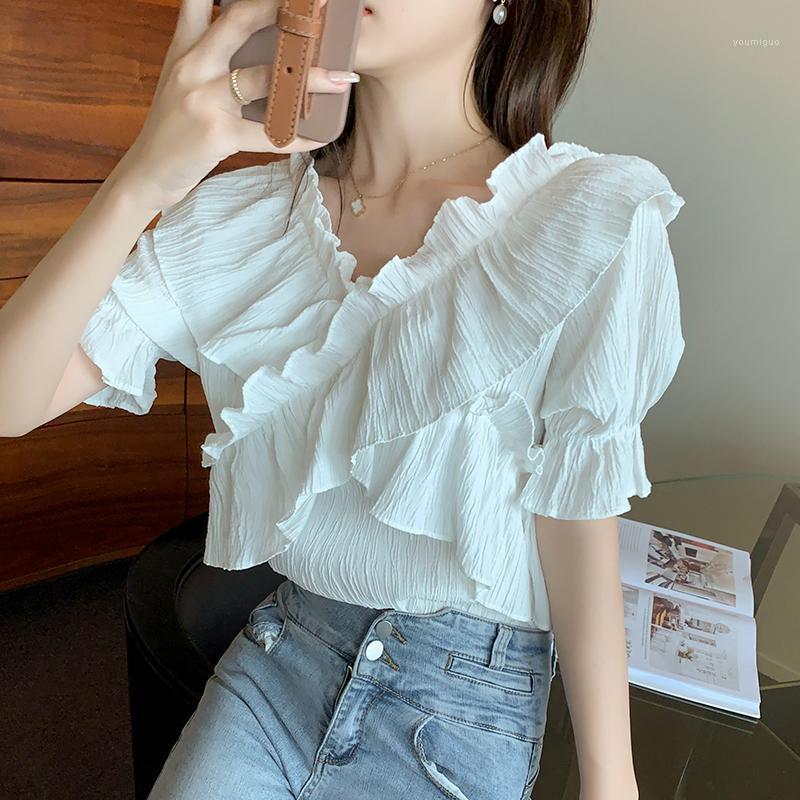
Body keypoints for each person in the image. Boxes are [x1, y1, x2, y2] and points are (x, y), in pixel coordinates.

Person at [0, 1, 687, 798]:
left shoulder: (585, 216)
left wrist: (610, 778)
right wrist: (140, 180)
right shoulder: (248, 220)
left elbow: (575, 506)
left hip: (465, 704)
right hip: (281, 658)